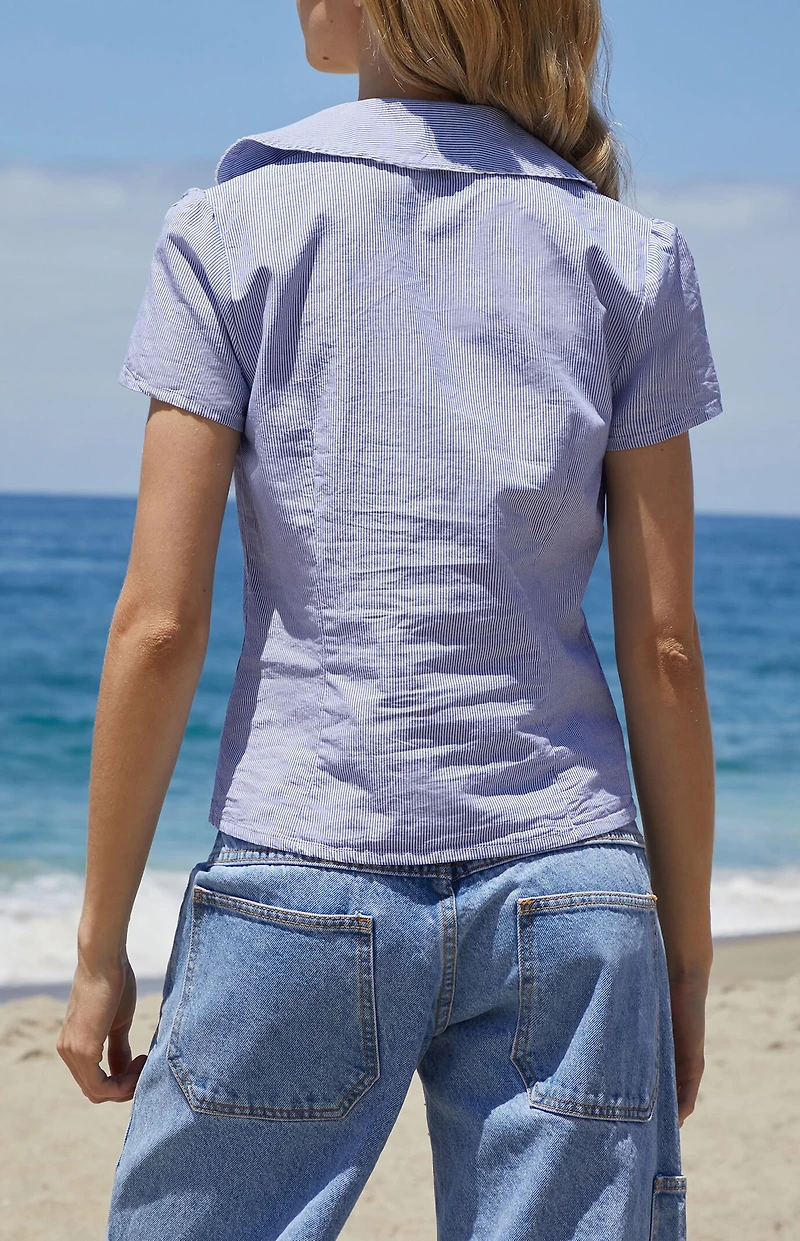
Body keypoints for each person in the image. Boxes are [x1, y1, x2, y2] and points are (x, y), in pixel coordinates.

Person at [57, 0, 722, 1237]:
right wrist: (680, 956)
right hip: (568, 889)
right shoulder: (628, 256)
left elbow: (157, 622)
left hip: (303, 865)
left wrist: (98, 947)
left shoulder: (229, 233)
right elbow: (665, 650)